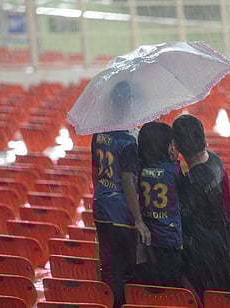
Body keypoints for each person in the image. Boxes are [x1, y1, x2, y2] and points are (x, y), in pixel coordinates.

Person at [172, 114, 230, 300]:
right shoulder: (215, 161)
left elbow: (184, 219)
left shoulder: (190, 183)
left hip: (204, 254)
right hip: (227, 244)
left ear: (179, 147)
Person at [91, 80, 151, 308]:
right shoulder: (128, 142)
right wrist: (138, 219)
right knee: (124, 268)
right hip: (121, 212)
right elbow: (128, 181)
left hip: (101, 206)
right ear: (127, 103)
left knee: (107, 265)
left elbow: (96, 170)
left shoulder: (98, 134)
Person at [136, 121, 183, 287]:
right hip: (170, 238)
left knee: (151, 287)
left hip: (147, 239)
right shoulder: (174, 170)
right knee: (170, 287)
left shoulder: (138, 170)